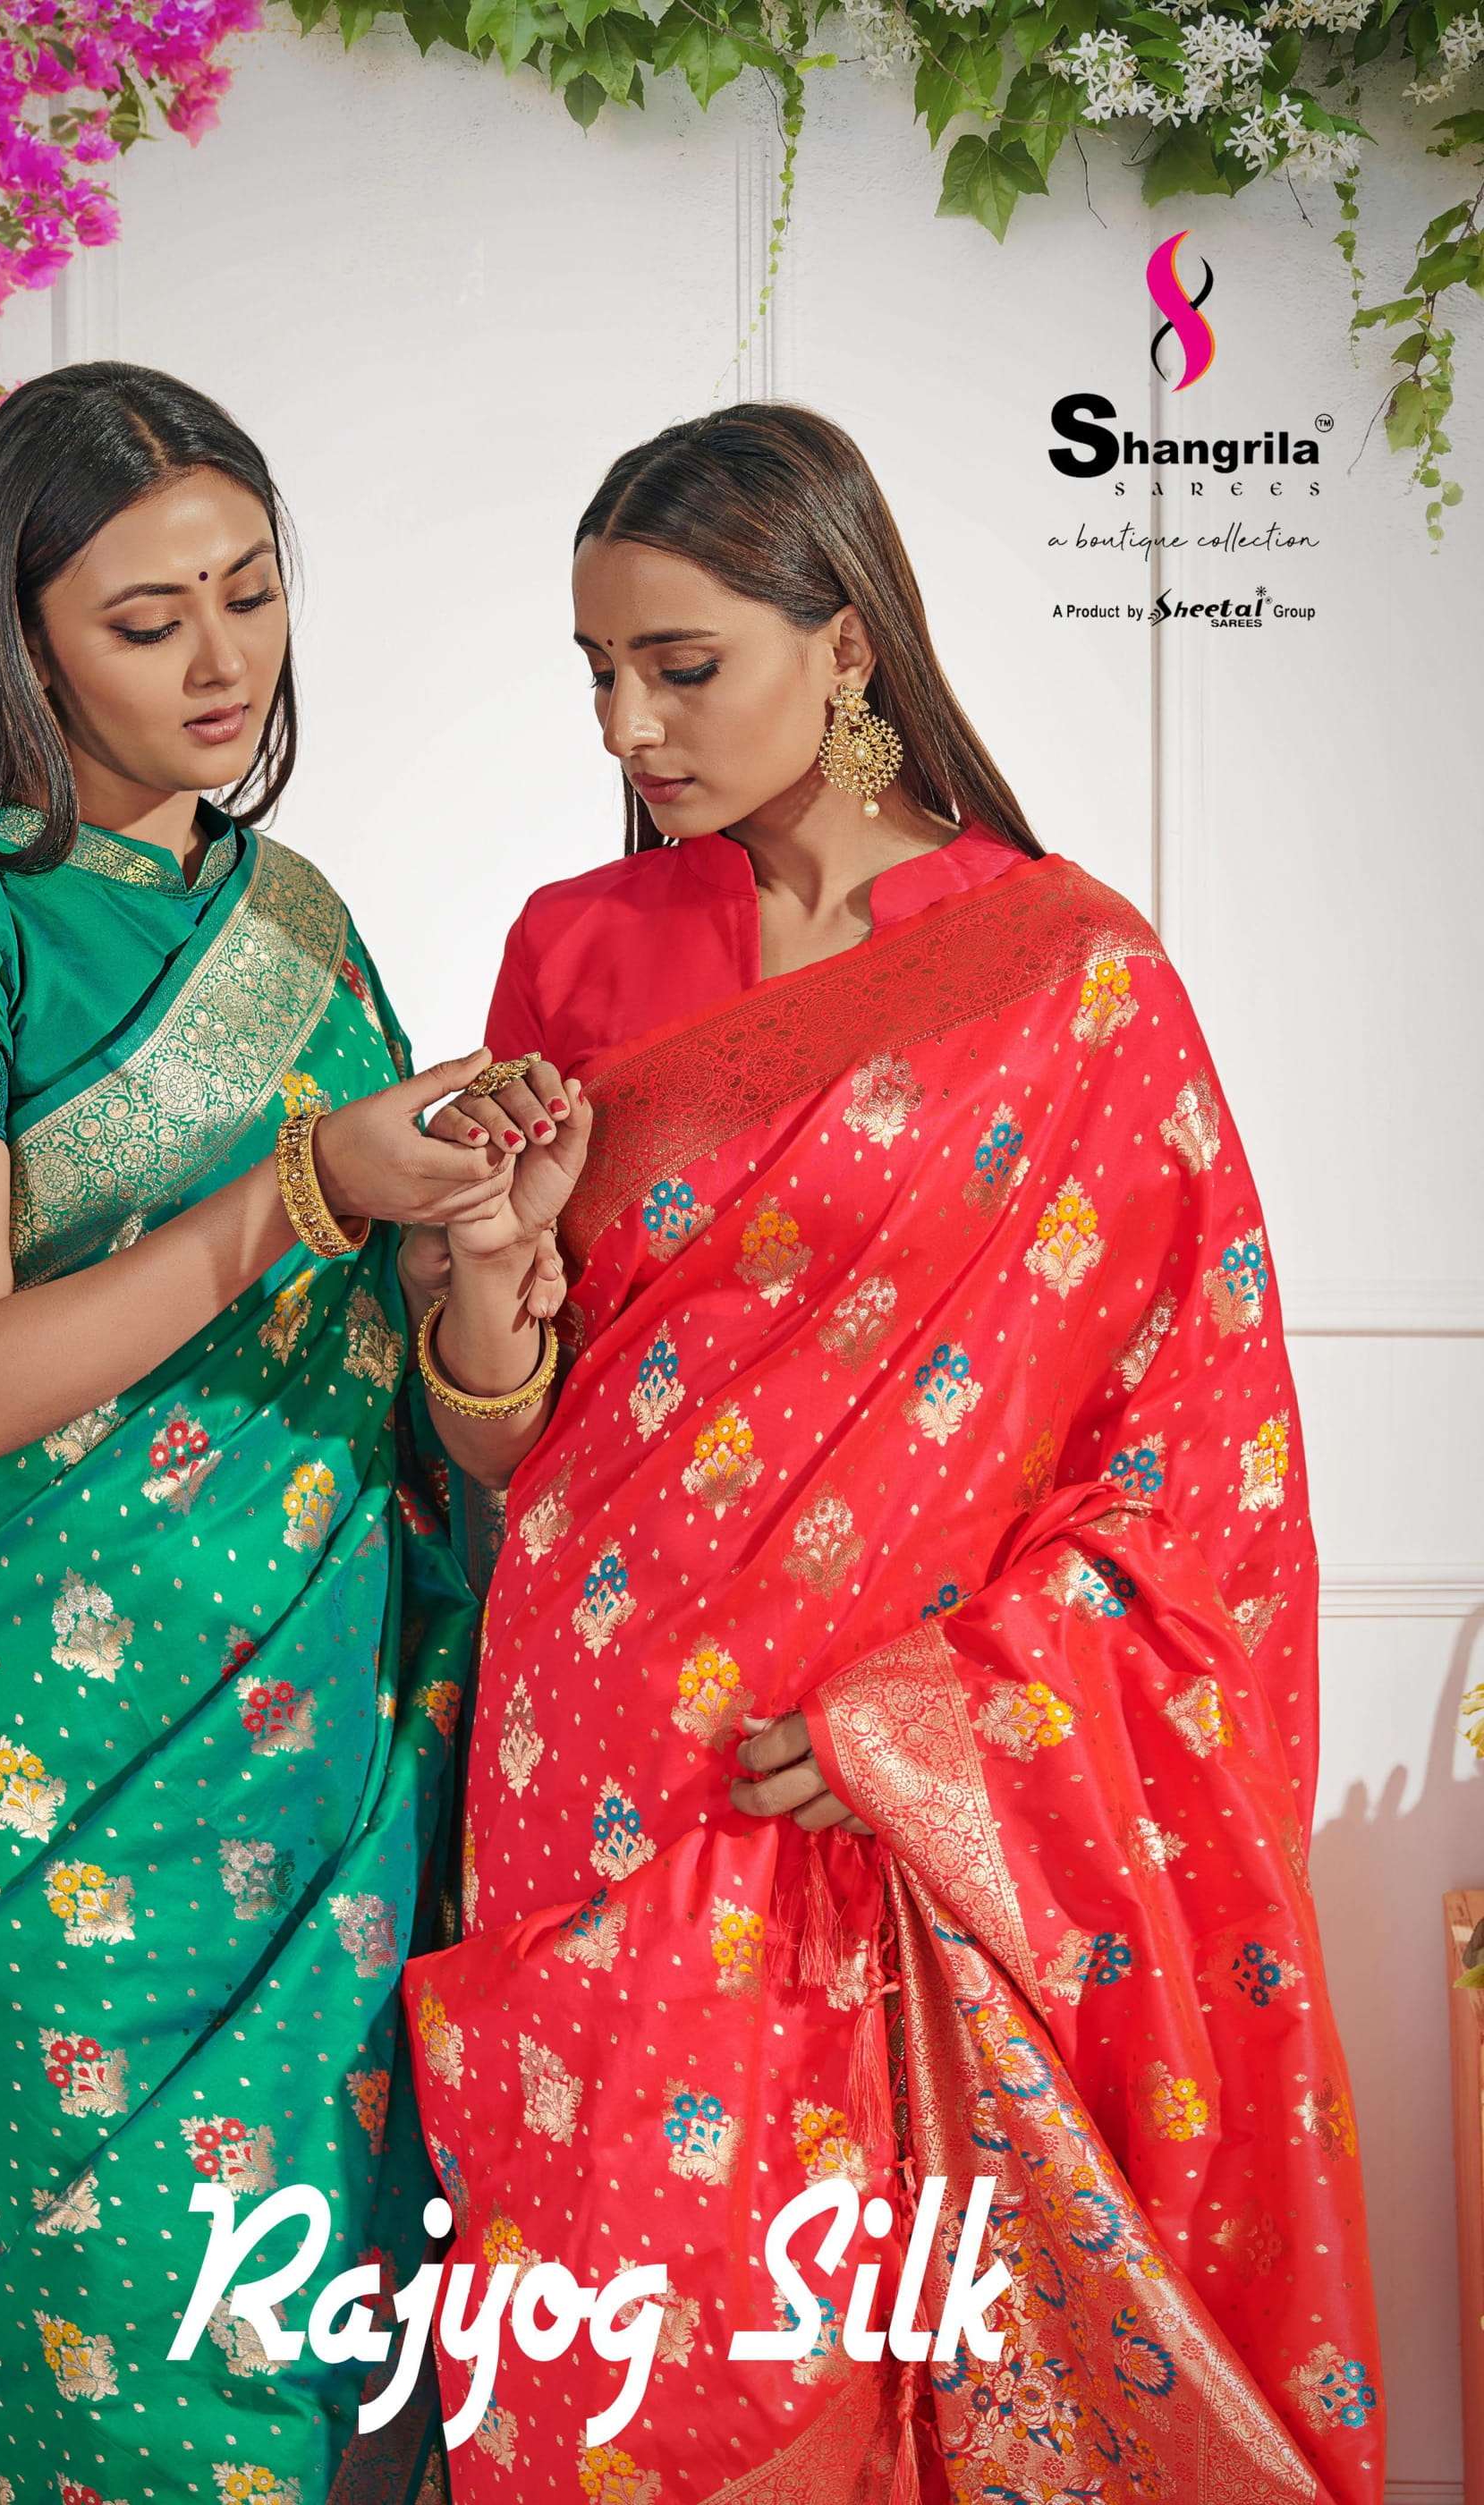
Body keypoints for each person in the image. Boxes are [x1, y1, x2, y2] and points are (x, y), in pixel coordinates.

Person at [398, 403, 1385, 2501]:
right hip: (597, 1768)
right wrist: (484, 1265)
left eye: (682, 665)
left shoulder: (1067, 973)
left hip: (885, 1788)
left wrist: (932, 1723)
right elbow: (500, 1427)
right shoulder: (575, 946)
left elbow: (1191, 1462)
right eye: (599, 671)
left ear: (843, 642)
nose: (631, 725)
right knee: (622, 2376)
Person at [0, 361, 526, 2505]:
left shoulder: (290, 917)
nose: (223, 661)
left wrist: (485, 1223)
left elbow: (399, 1341)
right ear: (23, 639)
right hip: (55, 1728)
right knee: (130, 2338)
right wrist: (303, 1186)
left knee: (341, 2333)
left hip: (329, 1698)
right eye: (146, 618)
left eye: (251, 592)